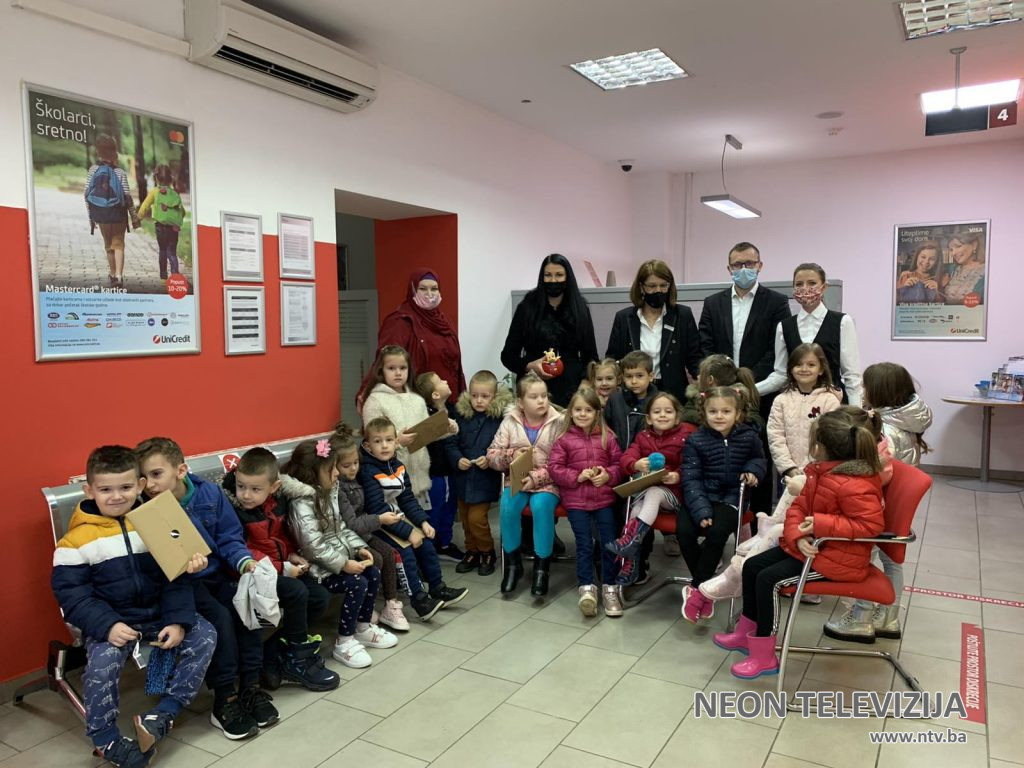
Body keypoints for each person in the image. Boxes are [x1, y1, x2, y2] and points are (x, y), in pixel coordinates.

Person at [52, 446, 215, 768]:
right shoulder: (74, 542)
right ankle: (105, 738)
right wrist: (107, 625)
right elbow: (72, 596)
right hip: (114, 623)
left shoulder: (157, 524)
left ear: (140, 485)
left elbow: (175, 578)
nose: (116, 496)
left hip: (159, 615)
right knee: (101, 665)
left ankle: (164, 714)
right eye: (105, 490)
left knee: (205, 634)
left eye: (126, 487)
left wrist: (177, 620)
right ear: (89, 490)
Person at [713, 409, 885, 680]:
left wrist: (819, 525)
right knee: (752, 566)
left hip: (838, 561)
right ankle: (745, 633)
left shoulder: (855, 484)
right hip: (814, 549)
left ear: (822, 447)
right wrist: (798, 535)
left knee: (768, 580)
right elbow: (798, 509)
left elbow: (870, 526)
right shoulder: (820, 473)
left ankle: (764, 655)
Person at [136, 437, 270, 740]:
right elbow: (161, 564)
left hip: (214, 574)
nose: (150, 484)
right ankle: (225, 697)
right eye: (144, 477)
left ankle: (250, 686)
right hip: (181, 584)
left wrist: (243, 561)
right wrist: (185, 562)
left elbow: (229, 536)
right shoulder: (146, 509)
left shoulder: (209, 493)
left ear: (181, 470)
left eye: (156, 474)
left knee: (245, 606)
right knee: (220, 617)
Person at [824, 362, 932, 642]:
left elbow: (872, 473)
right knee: (890, 560)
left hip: (875, 507)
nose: (862, 390)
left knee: (865, 556)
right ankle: (888, 618)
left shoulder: (887, 431)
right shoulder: (906, 419)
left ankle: (861, 618)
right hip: (891, 508)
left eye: (865, 386)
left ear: (879, 391)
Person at [222, 448, 339, 692]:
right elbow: (242, 551)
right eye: (241, 486)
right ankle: (297, 658)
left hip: (276, 568)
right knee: (297, 592)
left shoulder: (277, 503)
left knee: (319, 596)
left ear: (274, 487)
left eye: (255, 489)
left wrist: (292, 555)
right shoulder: (233, 509)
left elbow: (280, 538)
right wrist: (283, 568)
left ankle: (274, 654)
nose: (246, 495)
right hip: (247, 574)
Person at [281, 439, 397, 669]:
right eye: (331, 469)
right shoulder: (301, 503)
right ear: (313, 473)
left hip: (335, 560)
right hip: (317, 570)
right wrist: (344, 564)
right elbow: (313, 547)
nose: (336, 473)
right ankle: (344, 642)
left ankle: (363, 627)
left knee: (372, 572)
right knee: (357, 583)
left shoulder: (329, 491)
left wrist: (359, 548)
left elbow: (341, 529)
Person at [359, 417, 469, 619]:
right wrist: (409, 532)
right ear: (367, 446)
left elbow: (407, 499)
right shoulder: (368, 471)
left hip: (396, 519)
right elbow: (376, 508)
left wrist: (422, 522)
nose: (384, 446)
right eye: (378, 441)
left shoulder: (398, 466)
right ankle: (419, 600)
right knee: (406, 553)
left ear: (396, 442)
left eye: (389, 440)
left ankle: (437, 588)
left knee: (426, 544)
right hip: (378, 524)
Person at [678, 386, 767, 623]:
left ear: (737, 414)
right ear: (704, 413)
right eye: (713, 411)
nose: (719, 416)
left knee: (717, 533)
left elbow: (759, 459)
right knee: (684, 532)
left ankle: (697, 590)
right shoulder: (695, 440)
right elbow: (691, 477)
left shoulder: (749, 436)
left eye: (726, 411)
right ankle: (706, 587)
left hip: (732, 496)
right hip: (698, 495)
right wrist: (702, 511)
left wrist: (752, 470)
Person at [547, 388, 625, 617]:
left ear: (597, 413)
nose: (582, 414)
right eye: (578, 409)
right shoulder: (563, 439)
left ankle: (610, 587)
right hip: (576, 502)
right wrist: (577, 476)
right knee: (584, 544)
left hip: (604, 500)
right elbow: (554, 468)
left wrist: (607, 475)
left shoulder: (608, 437)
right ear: (570, 412)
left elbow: (619, 465)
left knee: (609, 543)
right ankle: (587, 589)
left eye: (588, 410)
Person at [487, 373, 564, 596]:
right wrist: (511, 455)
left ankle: (542, 569)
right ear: (520, 402)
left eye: (544, 396)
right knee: (508, 507)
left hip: (547, 482)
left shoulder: (558, 422)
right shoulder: (510, 422)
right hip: (517, 479)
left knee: (541, 507)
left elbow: (561, 462)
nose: (541, 401)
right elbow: (492, 455)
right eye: (534, 397)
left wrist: (537, 478)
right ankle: (513, 565)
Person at [607, 393, 696, 585]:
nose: (662, 415)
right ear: (648, 418)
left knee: (654, 492)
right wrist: (635, 464)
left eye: (668, 411)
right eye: (657, 412)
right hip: (648, 494)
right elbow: (626, 458)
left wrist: (677, 476)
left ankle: (631, 541)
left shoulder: (686, 437)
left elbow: (692, 465)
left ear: (677, 417)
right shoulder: (643, 437)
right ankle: (632, 565)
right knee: (636, 508)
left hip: (675, 495)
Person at [331, 424, 409, 632]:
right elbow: (352, 524)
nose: (353, 468)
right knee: (377, 559)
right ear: (334, 466)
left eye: (356, 463)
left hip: (365, 532)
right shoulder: (338, 489)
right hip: (349, 537)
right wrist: (379, 519)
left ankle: (391, 604)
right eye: (346, 465)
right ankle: (365, 607)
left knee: (389, 554)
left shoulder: (358, 478)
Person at [757, 263, 863, 406]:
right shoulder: (784, 327)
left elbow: (852, 376)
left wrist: (856, 412)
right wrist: (750, 390)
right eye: (799, 284)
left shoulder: (842, 322)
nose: (805, 288)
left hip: (833, 404)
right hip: (796, 404)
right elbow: (781, 375)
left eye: (812, 283)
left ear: (824, 287)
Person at [501, 254, 599, 408]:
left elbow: (591, 357)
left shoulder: (580, 309)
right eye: (548, 275)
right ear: (542, 277)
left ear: (568, 277)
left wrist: (585, 384)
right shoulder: (527, 308)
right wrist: (529, 366)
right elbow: (508, 356)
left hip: (571, 393)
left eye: (559, 275)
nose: (553, 280)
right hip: (533, 392)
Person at [362, 345, 453, 510]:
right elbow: (373, 442)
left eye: (403, 368)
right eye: (391, 368)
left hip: (420, 482)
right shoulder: (374, 401)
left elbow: (426, 432)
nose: (398, 373)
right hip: (391, 485)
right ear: (381, 371)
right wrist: (397, 441)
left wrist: (446, 427)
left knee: (425, 524)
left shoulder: (416, 400)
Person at [359, 268, 465, 406]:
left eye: (434, 289)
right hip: (417, 404)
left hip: (450, 402)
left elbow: (456, 367)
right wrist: (366, 393)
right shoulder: (400, 322)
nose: (429, 294)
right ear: (413, 290)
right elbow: (385, 361)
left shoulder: (445, 322)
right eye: (423, 288)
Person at [445, 370, 513, 576]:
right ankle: (472, 551)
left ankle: (486, 551)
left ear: (495, 395)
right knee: (466, 519)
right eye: (474, 396)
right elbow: (450, 442)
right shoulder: (460, 415)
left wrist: (489, 459)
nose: (479, 400)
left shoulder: (499, 418)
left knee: (477, 518)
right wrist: (457, 459)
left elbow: (504, 446)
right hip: (463, 477)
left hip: (485, 478)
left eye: (485, 396)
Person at [606, 259, 701, 402]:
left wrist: (703, 380)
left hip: (672, 394)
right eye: (652, 286)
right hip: (633, 393)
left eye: (663, 285)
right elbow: (613, 359)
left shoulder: (682, 315)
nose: (658, 290)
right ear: (641, 287)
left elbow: (694, 358)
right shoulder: (624, 318)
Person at [698, 242, 791, 385]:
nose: (743, 269)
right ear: (729, 269)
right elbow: (706, 345)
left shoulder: (777, 302)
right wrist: (723, 378)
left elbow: (776, 349)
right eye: (737, 265)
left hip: (761, 386)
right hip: (720, 387)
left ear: (759, 266)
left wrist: (747, 380)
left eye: (749, 264)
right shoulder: (712, 303)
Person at [766, 344, 843, 481]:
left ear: (821, 369)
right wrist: (788, 467)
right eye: (798, 364)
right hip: (792, 475)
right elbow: (775, 436)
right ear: (791, 369)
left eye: (811, 365)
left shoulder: (830, 401)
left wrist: (817, 468)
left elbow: (834, 439)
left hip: (822, 474)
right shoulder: (781, 401)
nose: (804, 369)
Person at [414, 371, 463, 562]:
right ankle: (429, 548)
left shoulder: (454, 409)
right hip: (434, 473)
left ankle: (444, 544)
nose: (445, 380)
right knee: (433, 510)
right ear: (435, 394)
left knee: (449, 508)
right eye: (440, 380)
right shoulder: (425, 415)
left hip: (450, 471)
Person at [85, 134, 140, 288]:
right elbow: (127, 196)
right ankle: (119, 276)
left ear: (98, 151)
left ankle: (112, 273)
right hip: (118, 215)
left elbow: (87, 195)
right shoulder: (120, 172)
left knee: (108, 245)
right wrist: (134, 216)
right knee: (119, 244)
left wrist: (91, 217)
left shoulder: (93, 170)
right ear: (115, 152)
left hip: (101, 215)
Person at [137, 164, 185, 282]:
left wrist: (138, 217)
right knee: (172, 252)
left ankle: (163, 276)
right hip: (173, 228)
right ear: (170, 179)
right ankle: (175, 274)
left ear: (156, 178)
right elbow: (182, 212)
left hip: (160, 226)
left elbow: (145, 205)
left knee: (163, 250)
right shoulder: (174, 193)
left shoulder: (155, 191)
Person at [941, 232, 985, 305]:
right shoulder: (950, 269)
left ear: (974, 245)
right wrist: (941, 287)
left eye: (958, 246)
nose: (953, 253)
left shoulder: (987, 271)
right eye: (951, 250)